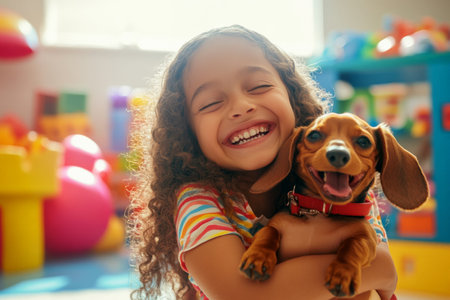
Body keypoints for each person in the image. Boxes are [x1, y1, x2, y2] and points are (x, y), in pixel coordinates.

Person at [127, 25, 397, 300]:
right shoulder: (198, 201)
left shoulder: (339, 182)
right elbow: (239, 295)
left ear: (292, 96)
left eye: (259, 86)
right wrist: (381, 268)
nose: (241, 106)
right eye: (210, 103)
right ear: (187, 132)